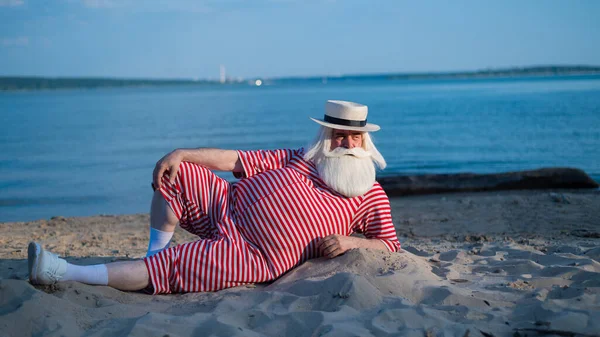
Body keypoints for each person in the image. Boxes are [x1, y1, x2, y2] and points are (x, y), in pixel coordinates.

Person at [27, 100, 401, 294]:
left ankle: (65, 272)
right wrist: (182, 153)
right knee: (178, 174)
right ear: (326, 137)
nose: (347, 144)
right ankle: (154, 251)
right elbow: (235, 159)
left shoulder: (370, 193)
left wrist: (351, 241)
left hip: (256, 255)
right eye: (339, 135)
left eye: (354, 138)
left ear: (365, 142)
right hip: (225, 204)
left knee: (174, 266)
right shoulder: (298, 157)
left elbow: (390, 244)